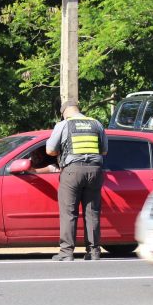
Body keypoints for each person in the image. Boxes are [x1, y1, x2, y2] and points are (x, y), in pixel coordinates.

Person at [46, 100, 108, 261]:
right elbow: (104, 151)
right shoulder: (96, 123)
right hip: (95, 171)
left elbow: (50, 150)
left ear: (64, 112)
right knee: (92, 212)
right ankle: (93, 252)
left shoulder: (64, 124)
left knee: (69, 212)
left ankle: (66, 252)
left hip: (72, 171)